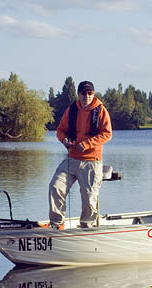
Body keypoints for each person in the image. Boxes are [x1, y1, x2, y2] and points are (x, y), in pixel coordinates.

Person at [49, 80, 112, 229]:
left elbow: (107, 134)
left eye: (90, 93)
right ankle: (57, 224)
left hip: (92, 161)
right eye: (83, 93)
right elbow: (60, 130)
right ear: (78, 94)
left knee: (89, 198)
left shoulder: (101, 110)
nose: (87, 96)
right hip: (71, 159)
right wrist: (64, 140)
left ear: (93, 94)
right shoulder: (71, 110)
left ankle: (87, 227)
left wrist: (87, 144)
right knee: (55, 186)